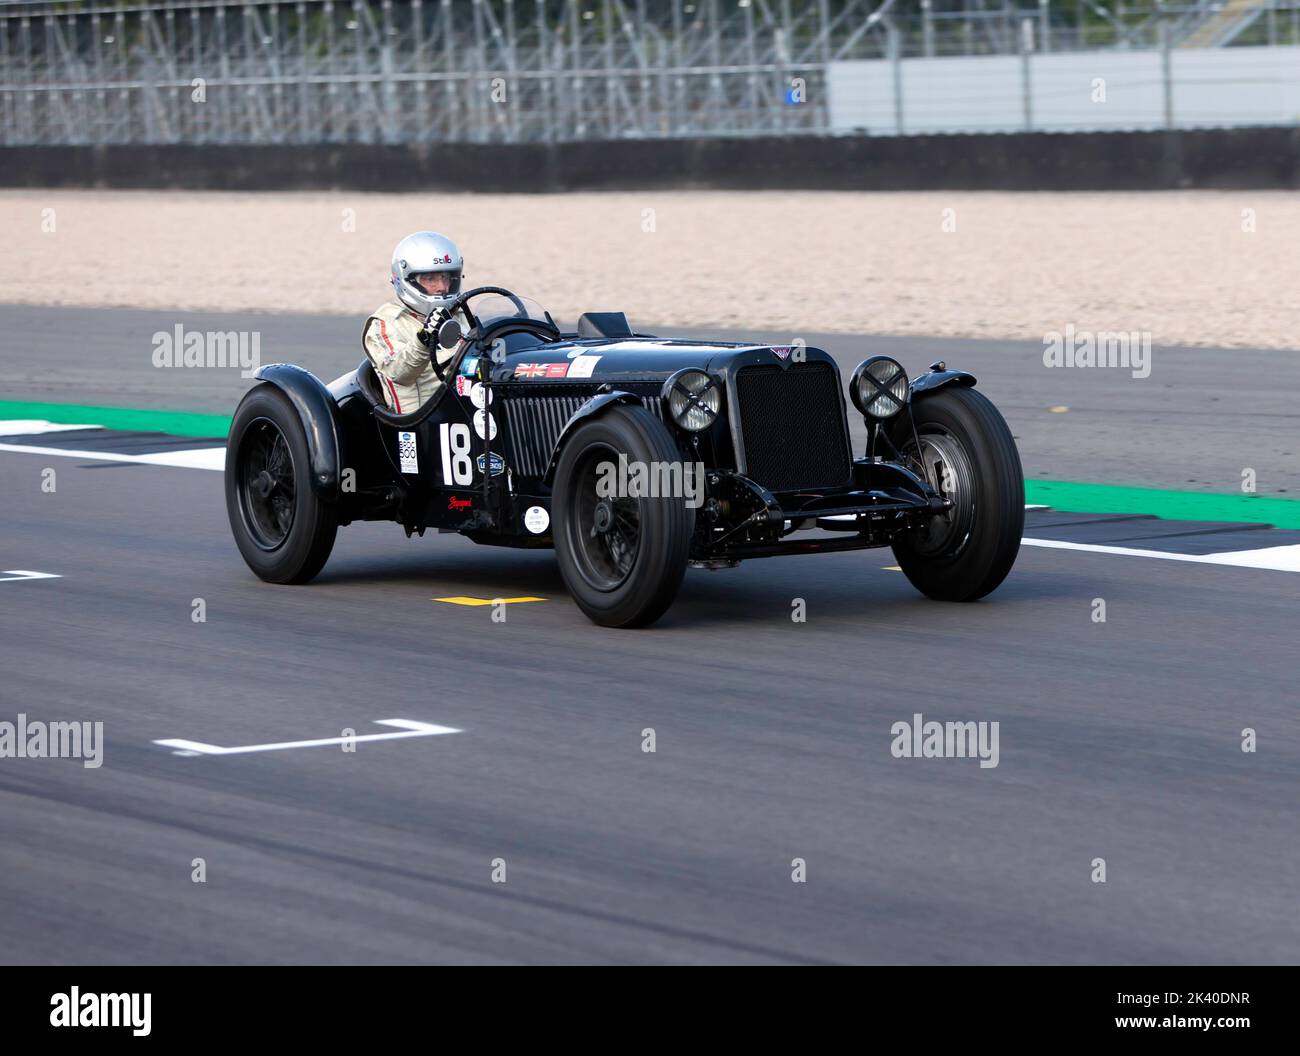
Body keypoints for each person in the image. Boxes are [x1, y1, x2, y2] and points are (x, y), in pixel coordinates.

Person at [363, 231, 467, 413]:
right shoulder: (385, 323)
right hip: (420, 426)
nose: (442, 287)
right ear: (406, 280)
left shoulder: (461, 315)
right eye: (431, 279)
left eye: (446, 277)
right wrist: (425, 338)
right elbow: (399, 372)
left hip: (467, 414)